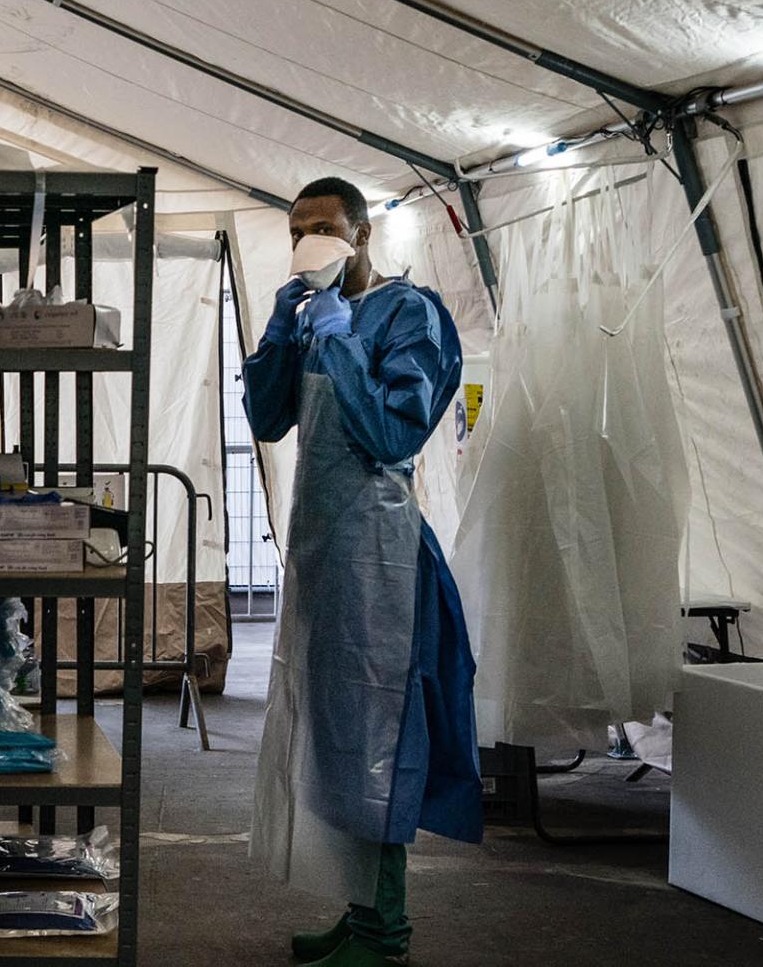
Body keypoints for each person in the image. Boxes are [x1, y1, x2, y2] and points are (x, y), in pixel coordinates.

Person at [242, 177, 481, 967]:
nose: (310, 240)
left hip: (380, 559)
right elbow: (270, 419)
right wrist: (280, 335)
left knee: (377, 736)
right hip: (324, 551)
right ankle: (358, 907)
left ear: (363, 231)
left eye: (325, 227)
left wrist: (340, 335)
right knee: (335, 738)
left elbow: (389, 430)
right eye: (298, 230)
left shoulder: (412, 316)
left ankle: (386, 932)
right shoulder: (312, 319)